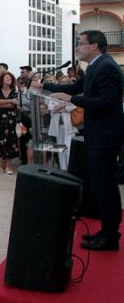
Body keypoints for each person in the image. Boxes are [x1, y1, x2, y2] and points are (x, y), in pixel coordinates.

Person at [36, 30, 124, 251]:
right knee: (99, 184)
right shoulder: (95, 66)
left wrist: (72, 99)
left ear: (94, 45)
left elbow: (108, 102)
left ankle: (110, 236)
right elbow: (74, 88)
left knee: (105, 185)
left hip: (105, 135)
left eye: (80, 43)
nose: (77, 47)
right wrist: (44, 87)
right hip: (97, 133)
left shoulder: (106, 68)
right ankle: (106, 231)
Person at [0, 72, 20, 174]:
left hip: (10, 120)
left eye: (10, 78)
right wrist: (9, 101)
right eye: (7, 78)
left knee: (10, 141)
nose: (9, 79)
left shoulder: (14, 91)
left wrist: (3, 103)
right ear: (2, 80)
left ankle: (8, 167)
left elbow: (14, 106)